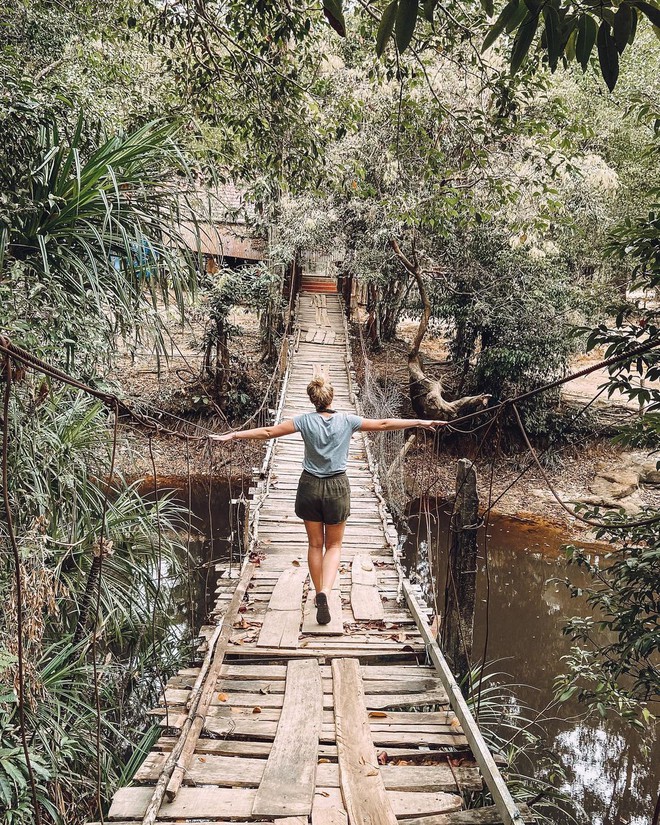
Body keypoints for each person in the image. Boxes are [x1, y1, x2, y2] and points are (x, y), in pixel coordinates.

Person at [212, 374, 445, 625]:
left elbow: (269, 431)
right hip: (337, 487)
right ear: (331, 397)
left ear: (312, 400)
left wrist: (234, 435)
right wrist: (421, 422)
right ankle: (325, 591)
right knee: (334, 546)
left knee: (315, 545)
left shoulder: (303, 420)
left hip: (309, 486)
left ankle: (317, 592)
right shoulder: (347, 420)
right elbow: (384, 424)